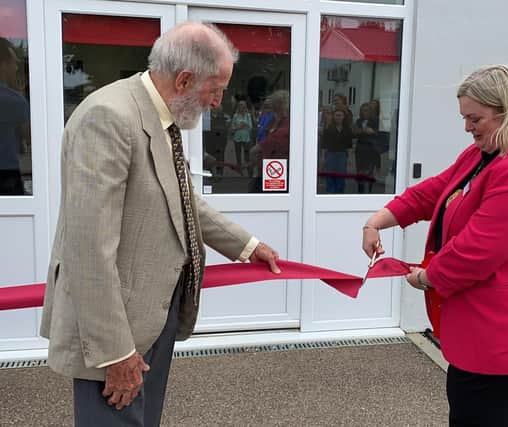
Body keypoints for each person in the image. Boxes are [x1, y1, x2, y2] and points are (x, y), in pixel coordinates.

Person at [39, 22, 281, 427]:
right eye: (215, 89)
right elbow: (87, 247)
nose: (219, 102)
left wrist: (247, 244)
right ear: (184, 79)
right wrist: (116, 354)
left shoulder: (159, 116)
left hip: (153, 316)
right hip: (116, 332)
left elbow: (184, 200)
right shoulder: (109, 117)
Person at [361, 64, 508, 426]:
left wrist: (426, 278)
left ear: (506, 111)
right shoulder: (484, 154)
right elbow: (434, 191)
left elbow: (474, 252)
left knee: (476, 414)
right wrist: (379, 219)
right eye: (465, 117)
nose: (467, 127)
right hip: (491, 324)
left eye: (475, 118)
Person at [0, 37, 29, 195]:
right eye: (14, 62)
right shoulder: (14, 100)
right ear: (4, 65)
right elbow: (31, 138)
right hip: (6, 174)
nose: (17, 66)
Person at [319, 107, 353, 193]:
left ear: (344, 117)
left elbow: (349, 145)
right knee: (330, 175)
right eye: (336, 115)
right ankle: (330, 193)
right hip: (331, 154)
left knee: (341, 176)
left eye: (340, 115)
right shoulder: (329, 129)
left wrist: (349, 158)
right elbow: (324, 144)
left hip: (342, 154)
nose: (338, 117)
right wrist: (323, 157)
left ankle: (339, 194)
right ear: (334, 116)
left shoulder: (347, 129)